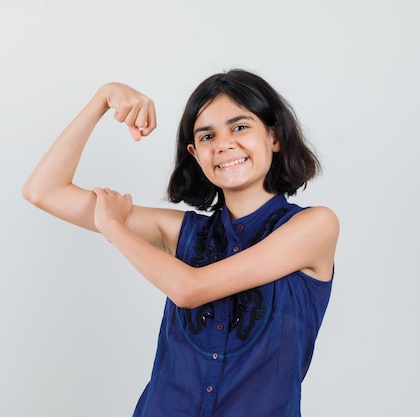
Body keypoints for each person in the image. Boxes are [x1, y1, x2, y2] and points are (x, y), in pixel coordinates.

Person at [22, 69, 339, 417]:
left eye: (240, 127)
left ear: (274, 136)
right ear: (195, 153)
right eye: (206, 136)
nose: (223, 144)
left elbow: (189, 288)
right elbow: (43, 191)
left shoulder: (314, 226)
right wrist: (103, 97)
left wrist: (114, 227)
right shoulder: (181, 232)